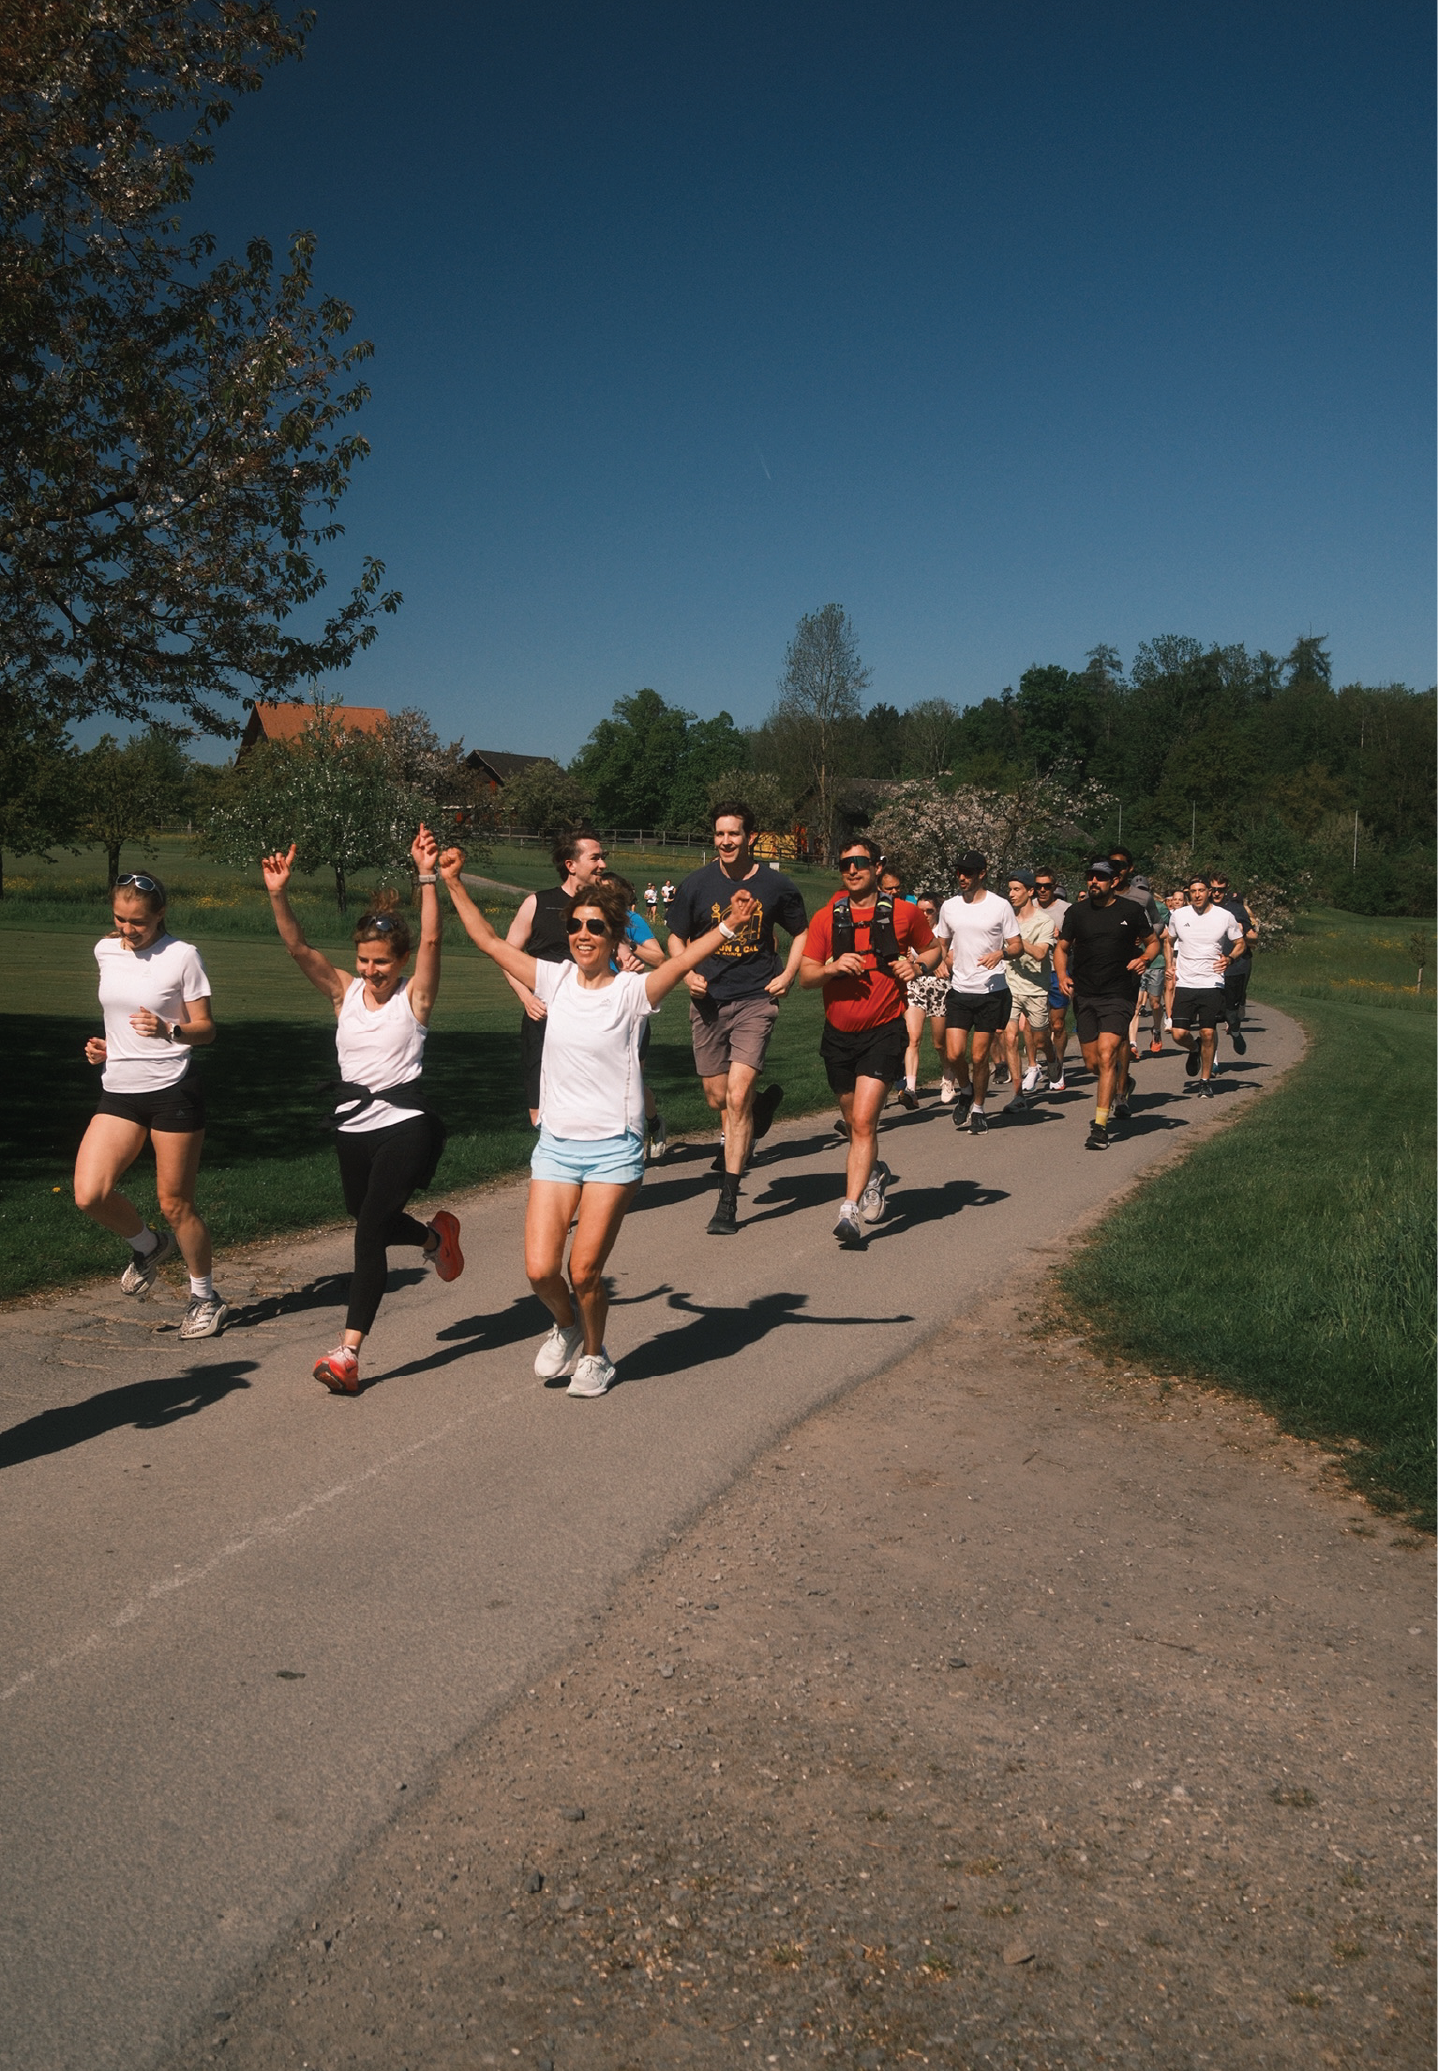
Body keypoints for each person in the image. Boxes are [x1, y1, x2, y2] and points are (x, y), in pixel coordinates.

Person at [438, 852, 756, 1395]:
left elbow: (679, 965)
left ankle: (594, 1354)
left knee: (584, 1271)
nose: (584, 934)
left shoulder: (633, 992)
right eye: (577, 926)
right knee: (541, 1271)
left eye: (596, 927)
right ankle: (564, 1325)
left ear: (614, 938)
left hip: (615, 1147)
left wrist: (727, 925)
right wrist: (448, 881)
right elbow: (490, 942)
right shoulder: (553, 980)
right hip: (558, 1145)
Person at [262, 830, 463, 1393]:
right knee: (365, 1212)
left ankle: (349, 1354)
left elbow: (430, 942)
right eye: (365, 960)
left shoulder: (414, 998)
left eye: (382, 962)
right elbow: (299, 949)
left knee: (369, 1231)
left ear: (400, 961)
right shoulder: (343, 992)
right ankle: (434, 1240)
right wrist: (279, 894)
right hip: (352, 1124)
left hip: (406, 1124)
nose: (372, 971)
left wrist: (426, 877)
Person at [74, 872, 227, 1340]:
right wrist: (106, 1048)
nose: (127, 929)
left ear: (160, 914)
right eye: (120, 918)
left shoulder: (182, 957)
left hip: (172, 1088)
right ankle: (148, 1246)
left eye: (138, 921)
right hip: (119, 1087)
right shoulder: (105, 951)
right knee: (89, 1194)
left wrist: (169, 1031)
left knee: (175, 1202)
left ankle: (206, 1299)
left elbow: (206, 1028)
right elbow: (117, 1015)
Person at [664, 800, 808, 1235]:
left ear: (750, 837)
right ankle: (758, 1114)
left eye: (734, 834)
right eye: (720, 834)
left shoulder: (776, 885)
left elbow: (800, 931)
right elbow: (674, 936)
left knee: (738, 1093)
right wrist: (687, 972)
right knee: (717, 1097)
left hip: (754, 998)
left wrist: (788, 973)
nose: (726, 841)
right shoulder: (697, 884)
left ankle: (727, 1200)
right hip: (708, 1000)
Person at [800, 840, 940, 1246]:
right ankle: (876, 1171)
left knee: (863, 1122)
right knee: (852, 1122)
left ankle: (849, 1210)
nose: (852, 869)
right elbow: (806, 977)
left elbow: (933, 947)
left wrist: (917, 965)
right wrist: (831, 968)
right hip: (838, 1035)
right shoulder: (827, 917)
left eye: (860, 862)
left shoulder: (906, 912)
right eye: (845, 863)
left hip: (884, 1028)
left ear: (878, 866)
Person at [1053, 859, 1158, 1150]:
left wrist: (1144, 958)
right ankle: (1121, 1083)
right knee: (1092, 1063)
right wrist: (1062, 974)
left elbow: (1153, 942)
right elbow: (1062, 948)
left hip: (1119, 992)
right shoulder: (1076, 912)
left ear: (1114, 882)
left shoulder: (1131, 911)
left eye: (1100, 878)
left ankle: (1100, 1126)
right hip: (1085, 993)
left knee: (1108, 1051)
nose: (1093, 882)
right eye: (1090, 877)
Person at [505, 831, 610, 1126]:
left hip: (592, 1016)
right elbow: (506, 955)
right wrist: (526, 997)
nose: (602, 864)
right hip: (543, 1015)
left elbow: (624, 953)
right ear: (571, 864)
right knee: (538, 1106)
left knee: (591, 1099)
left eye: (603, 858)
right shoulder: (538, 903)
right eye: (595, 858)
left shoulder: (606, 908)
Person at [933, 851, 1022, 1135]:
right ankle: (967, 1090)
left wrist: (1002, 953)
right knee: (954, 1052)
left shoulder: (1000, 906)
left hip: (991, 991)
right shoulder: (949, 906)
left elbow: (1017, 945)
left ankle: (979, 1109)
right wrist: (941, 961)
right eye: (959, 871)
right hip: (960, 989)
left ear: (982, 873)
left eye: (968, 872)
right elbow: (941, 942)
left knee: (980, 1056)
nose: (962, 877)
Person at [604, 873, 668, 1160]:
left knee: (632, 1079)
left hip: (631, 1009)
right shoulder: (587, 920)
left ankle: (652, 1124)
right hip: (596, 1007)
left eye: (607, 892)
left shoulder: (632, 923)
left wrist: (627, 943)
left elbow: (659, 959)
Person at [1165, 874, 1243, 1098]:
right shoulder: (1179, 916)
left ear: (1209, 891)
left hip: (1211, 982)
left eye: (1201, 890)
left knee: (1208, 1032)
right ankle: (1194, 1048)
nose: (1197, 895)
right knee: (1179, 1034)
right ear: (1188, 893)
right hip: (1186, 982)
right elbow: (1168, 941)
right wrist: (1170, 964)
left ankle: (1205, 1081)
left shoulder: (1224, 916)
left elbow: (1240, 943)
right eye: (1193, 891)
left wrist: (1229, 959)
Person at [1004, 870, 1061, 1097]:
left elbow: (1039, 954)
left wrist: (1018, 939)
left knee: (1040, 1040)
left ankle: (1052, 1057)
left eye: (1016, 889)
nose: (1011, 894)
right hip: (1010, 986)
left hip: (1036, 989)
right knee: (1009, 1038)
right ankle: (1017, 1095)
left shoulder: (1044, 921)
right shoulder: (1006, 919)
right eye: (1009, 889)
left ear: (1030, 892)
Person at [900, 893, 949, 1106]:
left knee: (939, 1043)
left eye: (929, 911)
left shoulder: (944, 932)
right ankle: (910, 1088)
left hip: (940, 988)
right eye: (920, 911)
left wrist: (939, 960)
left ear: (937, 911)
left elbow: (950, 959)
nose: (925, 915)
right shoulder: (911, 930)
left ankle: (948, 1077)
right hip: (916, 985)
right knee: (913, 1037)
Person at [1030, 869, 1072, 1090]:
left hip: (1058, 971)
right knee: (1036, 1026)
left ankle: (1058, 1065)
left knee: (1057, 1023)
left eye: (1047, 886)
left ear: (1055, 886)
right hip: (1032, 972)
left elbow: (1077, 941)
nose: (1043, 890)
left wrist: (1062, 938)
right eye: (1039, 886)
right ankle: (1034, 1065)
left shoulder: (1066, 911)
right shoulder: (1028, 908)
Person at [1210, 872, 1257, 1056]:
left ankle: (1236, 1031)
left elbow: (1252, 938)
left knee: (1231, 1015)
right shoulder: (1202, 909)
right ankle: (1211, 1060)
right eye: (1213, 889)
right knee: (1209, 1019)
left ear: (1226, 890)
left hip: (1233, 969)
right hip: (1211, 970)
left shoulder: (1236, 910)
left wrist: (1243, 933)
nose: (1216, 894)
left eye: (1220, 890)